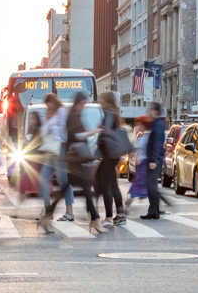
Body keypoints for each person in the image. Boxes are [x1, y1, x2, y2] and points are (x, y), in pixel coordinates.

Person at [39, 93, 104, 235]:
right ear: (79, 103)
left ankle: (56, 214)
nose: (84, 106)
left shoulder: (66, 113)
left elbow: (64, 133)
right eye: (83, 103)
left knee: (67, 185)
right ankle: (92, 219)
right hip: (65, 156)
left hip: (66, 155)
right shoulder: (70, 115)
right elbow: (71, 135)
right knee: (67, 184)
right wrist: (91, 132)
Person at [38, 94, 75, 222]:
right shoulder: (51, 112)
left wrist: (51, 127)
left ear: (53, 102)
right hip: (50, 151)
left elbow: (62, 130)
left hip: (59, 149)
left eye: (49, 104)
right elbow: (44, 131)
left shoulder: (61, 111)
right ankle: (48, 211)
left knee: (63, 181)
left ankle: (69, 212)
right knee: (43, 178)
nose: (48, 107)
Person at [95, 91, 126, 227]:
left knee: (105, 184)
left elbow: (106, 133)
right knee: (113, 185)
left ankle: (108, 217)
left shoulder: (108, 114)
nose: (100, 101)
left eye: (101, 99)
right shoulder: (114, 114)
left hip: (108, 154)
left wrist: (100, 130)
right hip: (113, 154)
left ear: (106, 101)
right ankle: (120, 215)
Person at [140, 102, 166, 220]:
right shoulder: (156, 123)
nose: (148, 111)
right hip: (153, 158)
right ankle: (153, 210)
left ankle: (155, 211)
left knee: (151, 185)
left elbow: (157, 143)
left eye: (150, 109)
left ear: (155, 110)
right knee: (151, 184)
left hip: (155, 159)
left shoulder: (159, 124)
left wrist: (153, 160)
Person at [127, 116, 151, 208]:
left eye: (139, 124)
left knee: (142, 184)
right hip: (139, 163)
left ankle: (127, 205)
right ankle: (127, 204)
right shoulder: (140, 135)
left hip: (144, 163)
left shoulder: (148, 136)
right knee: (138, 183)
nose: (137, 126)